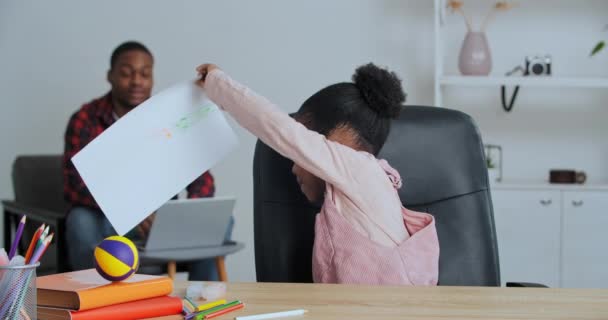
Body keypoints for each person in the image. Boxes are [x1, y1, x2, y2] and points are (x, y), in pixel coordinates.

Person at [195, 62, 439, 285]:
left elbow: (278, 128)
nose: (294, 165)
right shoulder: (351, 201)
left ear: (339, 138)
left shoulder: (360, 169)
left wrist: (217, 83)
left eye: (302, 149)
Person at [62, 41, 231, 280]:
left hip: (159, 218)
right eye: (126, 73)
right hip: (107, 218)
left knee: (220, 222)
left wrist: (190, 212)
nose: (137, 81)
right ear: (110, 76)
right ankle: (94, 300)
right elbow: (75, 186)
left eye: (145, 73)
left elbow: (201, 179)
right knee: (80, 221)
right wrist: (131, 208)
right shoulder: (85, 119)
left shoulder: (169, 115)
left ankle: (203, 300)